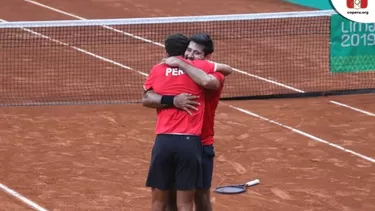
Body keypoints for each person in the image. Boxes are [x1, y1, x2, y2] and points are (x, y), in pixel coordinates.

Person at [143, 33, 233, 211]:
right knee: (171, 199)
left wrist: (179, 63)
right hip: (185, 141)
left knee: (201, 197)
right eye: (188, 51)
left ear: (207, 57)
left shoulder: (214, 74)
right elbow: (147, 98)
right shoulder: (185, 66)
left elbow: (214, 78)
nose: (190, 55)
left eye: (196, 53)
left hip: (202, 142)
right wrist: (172, 99)